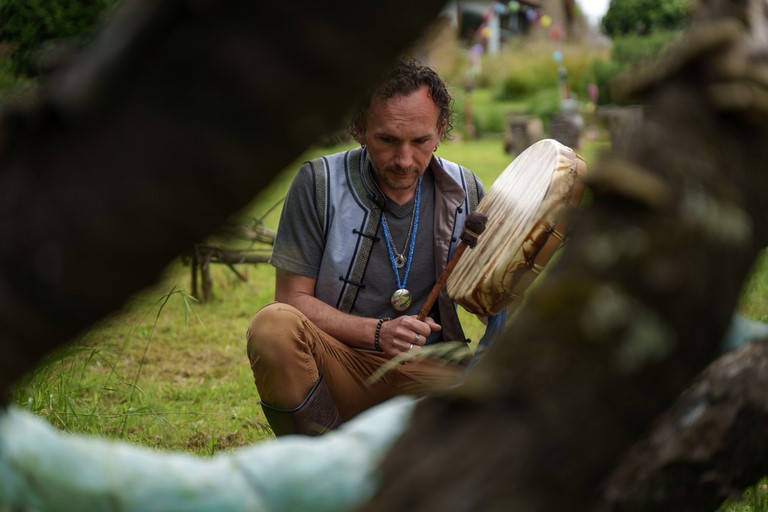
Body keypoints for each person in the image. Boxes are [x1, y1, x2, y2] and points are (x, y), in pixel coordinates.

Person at [246, 59, 485, 436]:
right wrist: (379, 333)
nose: (405, 161)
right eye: (387, 140)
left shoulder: (465, 190)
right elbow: (292, 298)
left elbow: (497, 302)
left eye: (420, 141)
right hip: (341, 367)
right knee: (272, 327)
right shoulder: (318, 183)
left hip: (432, 373)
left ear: (440, 131)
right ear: (359, 128)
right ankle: (323, 463)